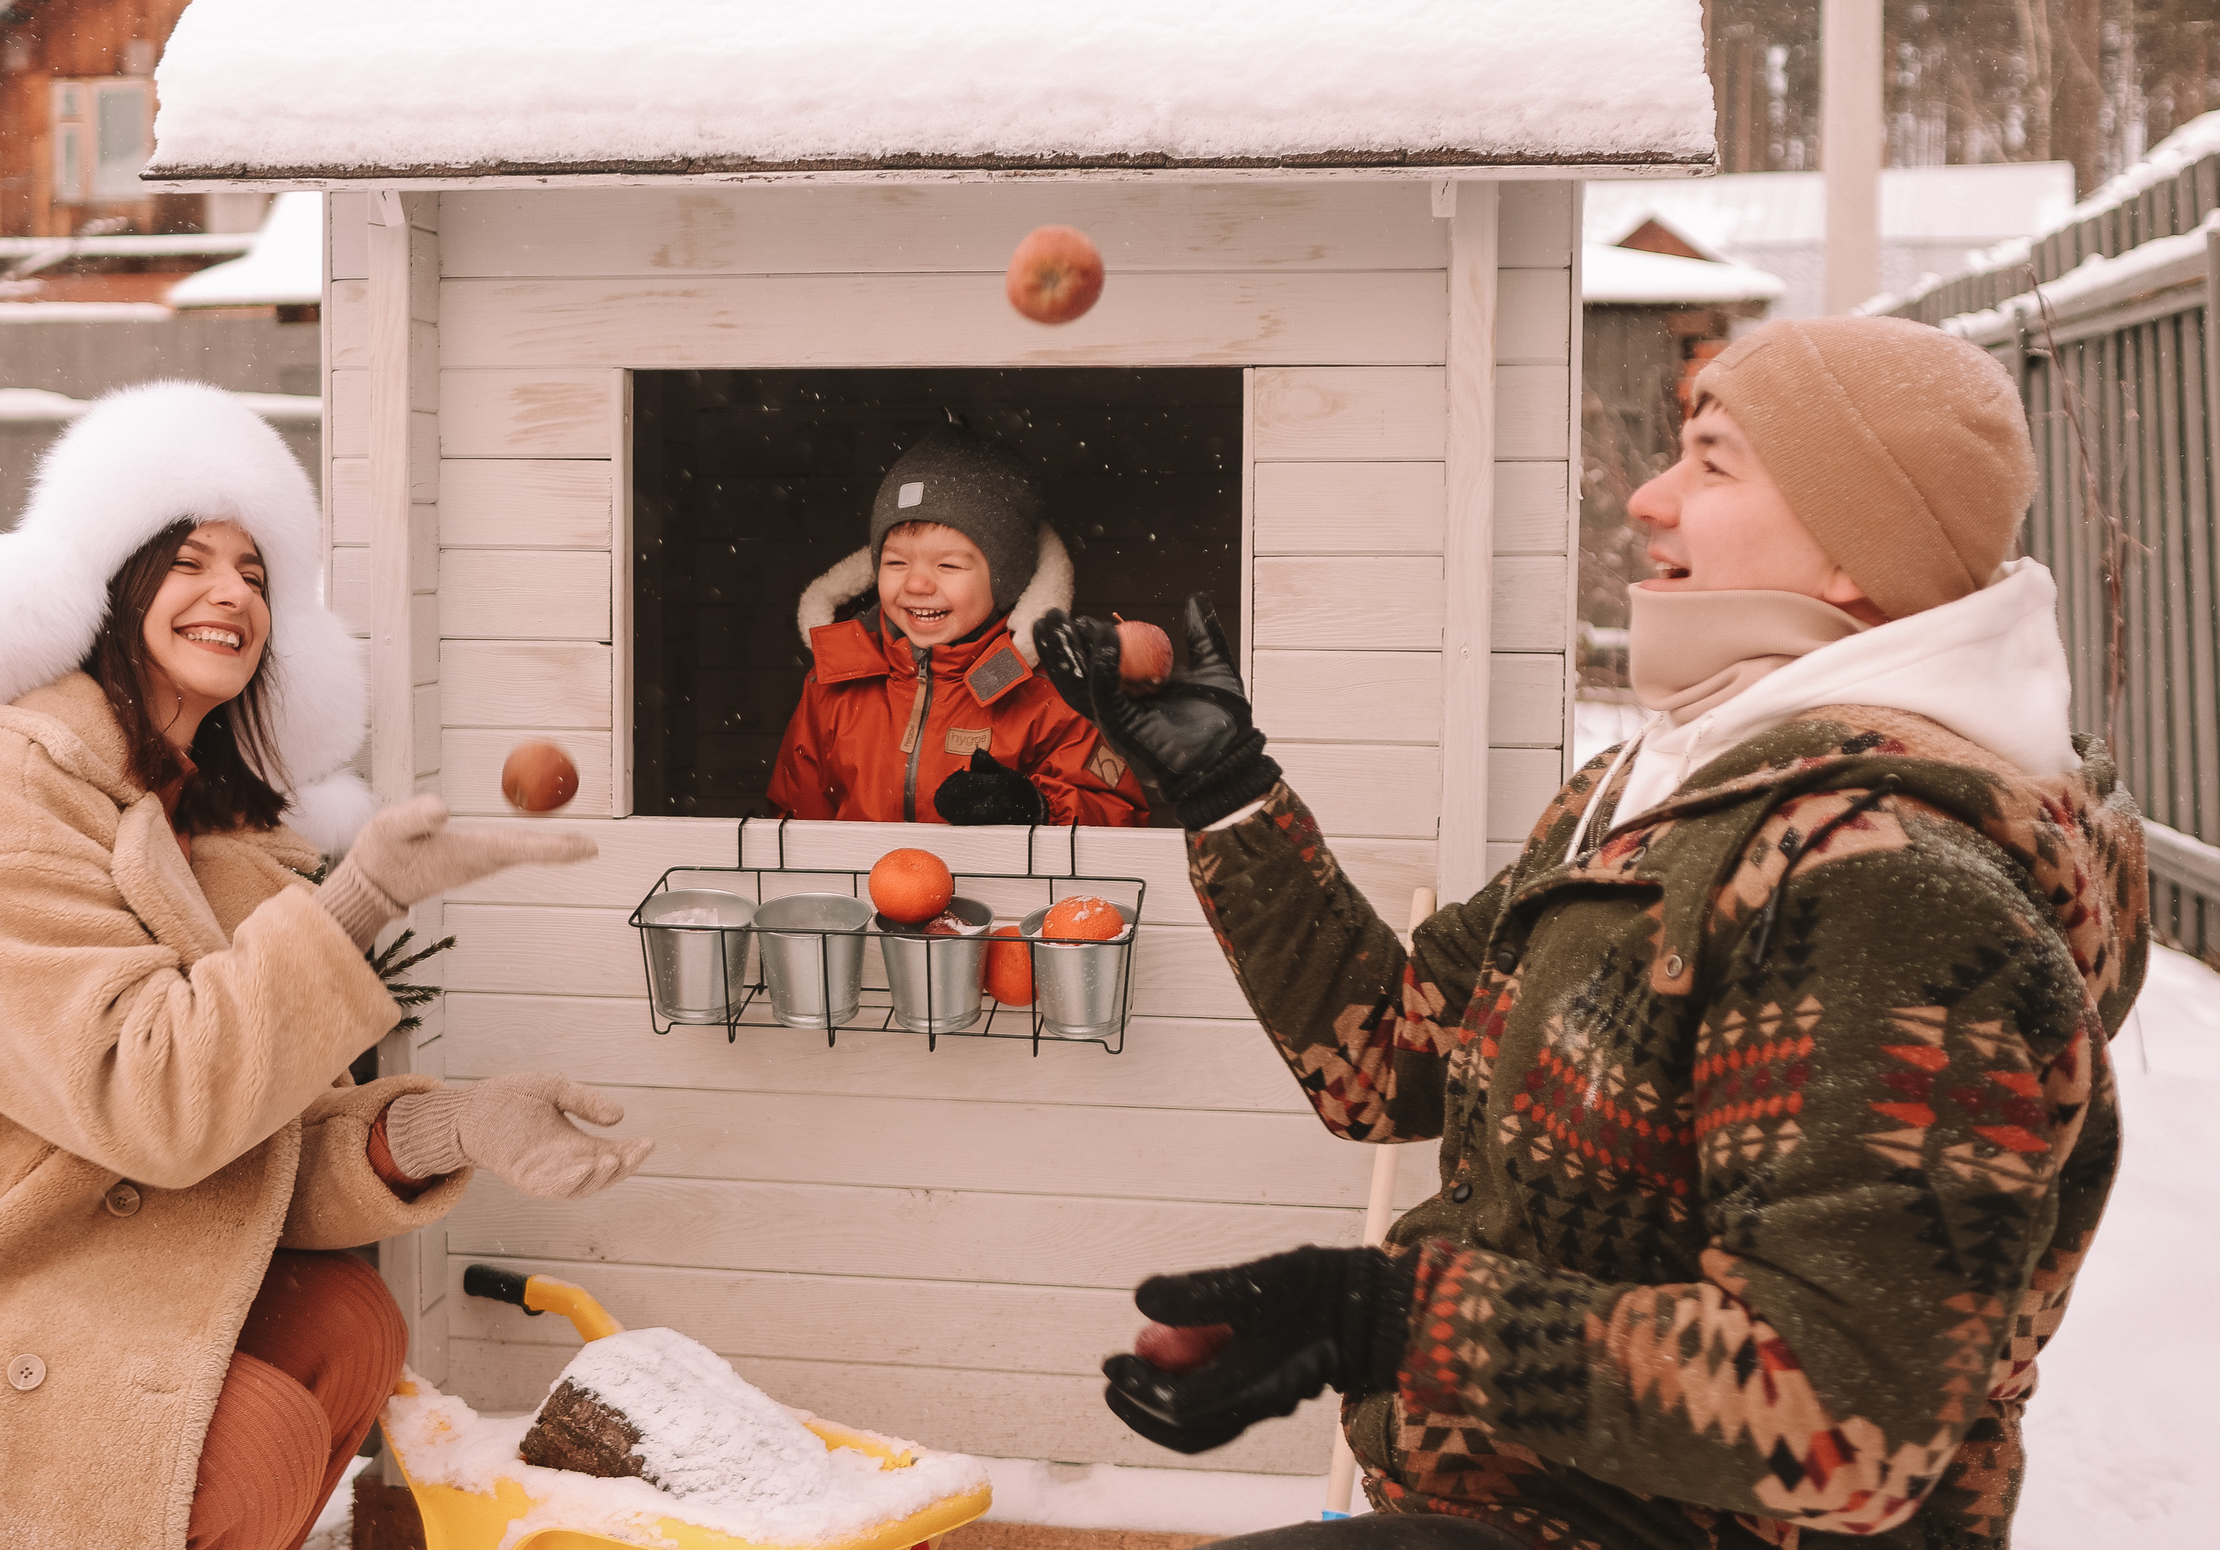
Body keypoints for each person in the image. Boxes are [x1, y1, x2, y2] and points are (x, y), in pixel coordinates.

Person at [1037, 317, 2148, 1550]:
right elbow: (1387, 1058)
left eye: (1713, 462)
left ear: (1853, 550)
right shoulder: (1675, 792)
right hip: (1512, 1508)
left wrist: (1392, 1316)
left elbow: (1840, 1420)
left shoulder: (1885, 883)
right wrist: (1228, 792)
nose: (1649, 499)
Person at [0, 383, 655, 1550]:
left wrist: (454, 1130)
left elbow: (253, 1148)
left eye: (255, 571)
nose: (231, 592)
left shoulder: (215, 835)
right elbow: (159, 1104)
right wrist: (365, 897)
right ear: (107, 589)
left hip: (30, 1262)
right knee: (255, 1436)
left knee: (344, 1320)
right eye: (188, 560)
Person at [767, 425, 1147, 826]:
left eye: (947, 565)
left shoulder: (1048, 692)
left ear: (1005, 580)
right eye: (896, 562)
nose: (916, 584)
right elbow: (795, 819)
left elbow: (1117, 812)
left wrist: (1036, 807)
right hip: (861, 888)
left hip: (998, 890)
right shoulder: (834, 683)